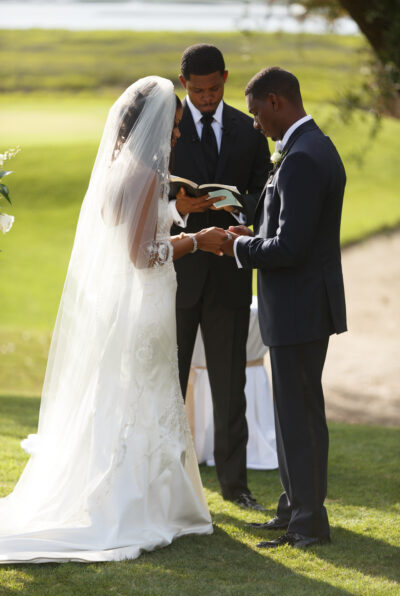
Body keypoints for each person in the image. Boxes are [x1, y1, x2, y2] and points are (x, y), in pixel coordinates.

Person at [0, 76, 228, 563]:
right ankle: (137, 506)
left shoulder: (119, 168)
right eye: (175, 126)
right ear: (158, 122)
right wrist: (198, 240)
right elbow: (142, 255)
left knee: (132, 398)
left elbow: (134, 227)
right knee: (144, 398)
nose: (178, 136)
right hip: (145, 304)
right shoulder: (144, 175)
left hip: (135, 305)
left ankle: (147, 498)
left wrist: (173, 208)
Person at [223, 67, 347, 548]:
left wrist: (238, 249)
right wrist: (252, 237)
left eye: (256, 113)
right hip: (302, 306)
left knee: (298, 416)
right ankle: (295, 509)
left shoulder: (301, 157)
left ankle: (307, 524)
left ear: (276, 101)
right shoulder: (312, 146)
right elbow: (290, 234)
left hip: (299, 307)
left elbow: (290, 248)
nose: (255, 124)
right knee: (296, 413)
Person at [170, 44, 271, 510]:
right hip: (175, 276)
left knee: (231, 385)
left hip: (230, 274)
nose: (207, 98)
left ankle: (235, 485)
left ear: (226, 78)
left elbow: (265, 196)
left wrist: (239, 211)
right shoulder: (165, 129)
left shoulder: (249, 131)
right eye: (198, 90)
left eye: (214, 89)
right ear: (184, 82)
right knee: (167, 381)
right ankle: (168, 481)